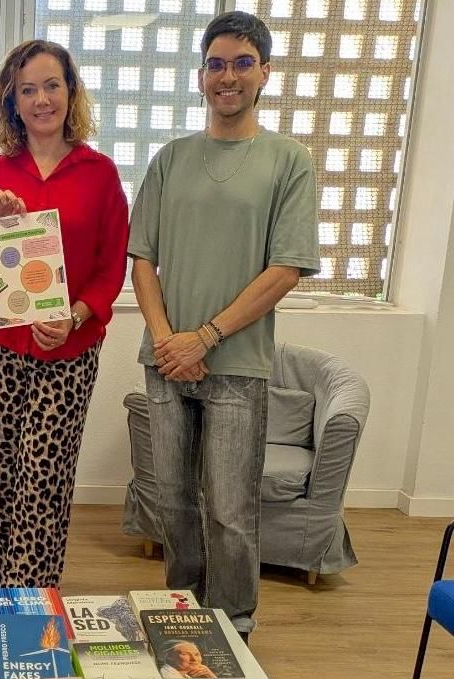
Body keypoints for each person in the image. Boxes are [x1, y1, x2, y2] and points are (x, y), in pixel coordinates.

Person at [128, 11, 320, 642]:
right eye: (215, 64)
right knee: (176, 507)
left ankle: (235, 625)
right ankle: (182, 617)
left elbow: (286, 267)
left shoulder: (288, 160)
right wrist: (166, 341)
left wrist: (203, 337)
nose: (227, 76)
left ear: (265, 72)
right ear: (201, 75)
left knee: (233, 512)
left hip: (235, 365)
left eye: (242, 63)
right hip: (167, 361)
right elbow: (144, 259)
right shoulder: (171, 158)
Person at [0, 40, 129, 588]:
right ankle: (13, 593)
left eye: (52, 86)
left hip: (69, 348)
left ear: (70, 93)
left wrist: (75, 316)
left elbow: (111, 267)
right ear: (13, 100)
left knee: (44, 477)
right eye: (28, 89)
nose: (41, 99)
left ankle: (29, 599)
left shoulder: (99, 173)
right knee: (5, 476)